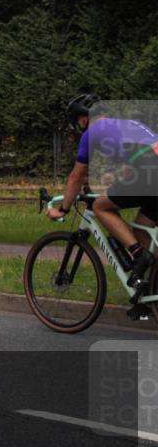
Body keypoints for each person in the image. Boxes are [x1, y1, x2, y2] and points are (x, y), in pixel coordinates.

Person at [48, 94, 158, 318]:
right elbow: (131, 169)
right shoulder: (125, 125)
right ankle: (146, 294)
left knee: (100, 207)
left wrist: (63, 209)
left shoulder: (91, 133)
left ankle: (139, 256)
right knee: (140, 229)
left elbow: (76, 176)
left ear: (82, 119)